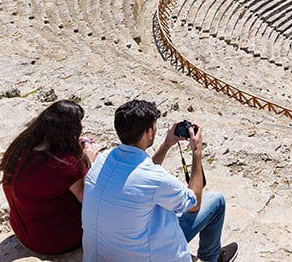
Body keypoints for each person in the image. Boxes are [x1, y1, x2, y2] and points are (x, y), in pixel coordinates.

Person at [82, 99, 238, 262]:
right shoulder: (155, 178)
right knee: (217, 201)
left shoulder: (102, 160)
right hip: (144, 255)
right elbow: (194, 203)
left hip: (101, 254)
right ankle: (209, 258)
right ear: (149, 132)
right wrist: (197, 152)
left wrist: (166, 145)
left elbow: (139, 174)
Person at [0, 99, 99, 255]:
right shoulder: (66, 164)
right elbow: (89, 200)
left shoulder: (20, 147)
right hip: (55, 242)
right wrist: (89, 161)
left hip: (23, 231)